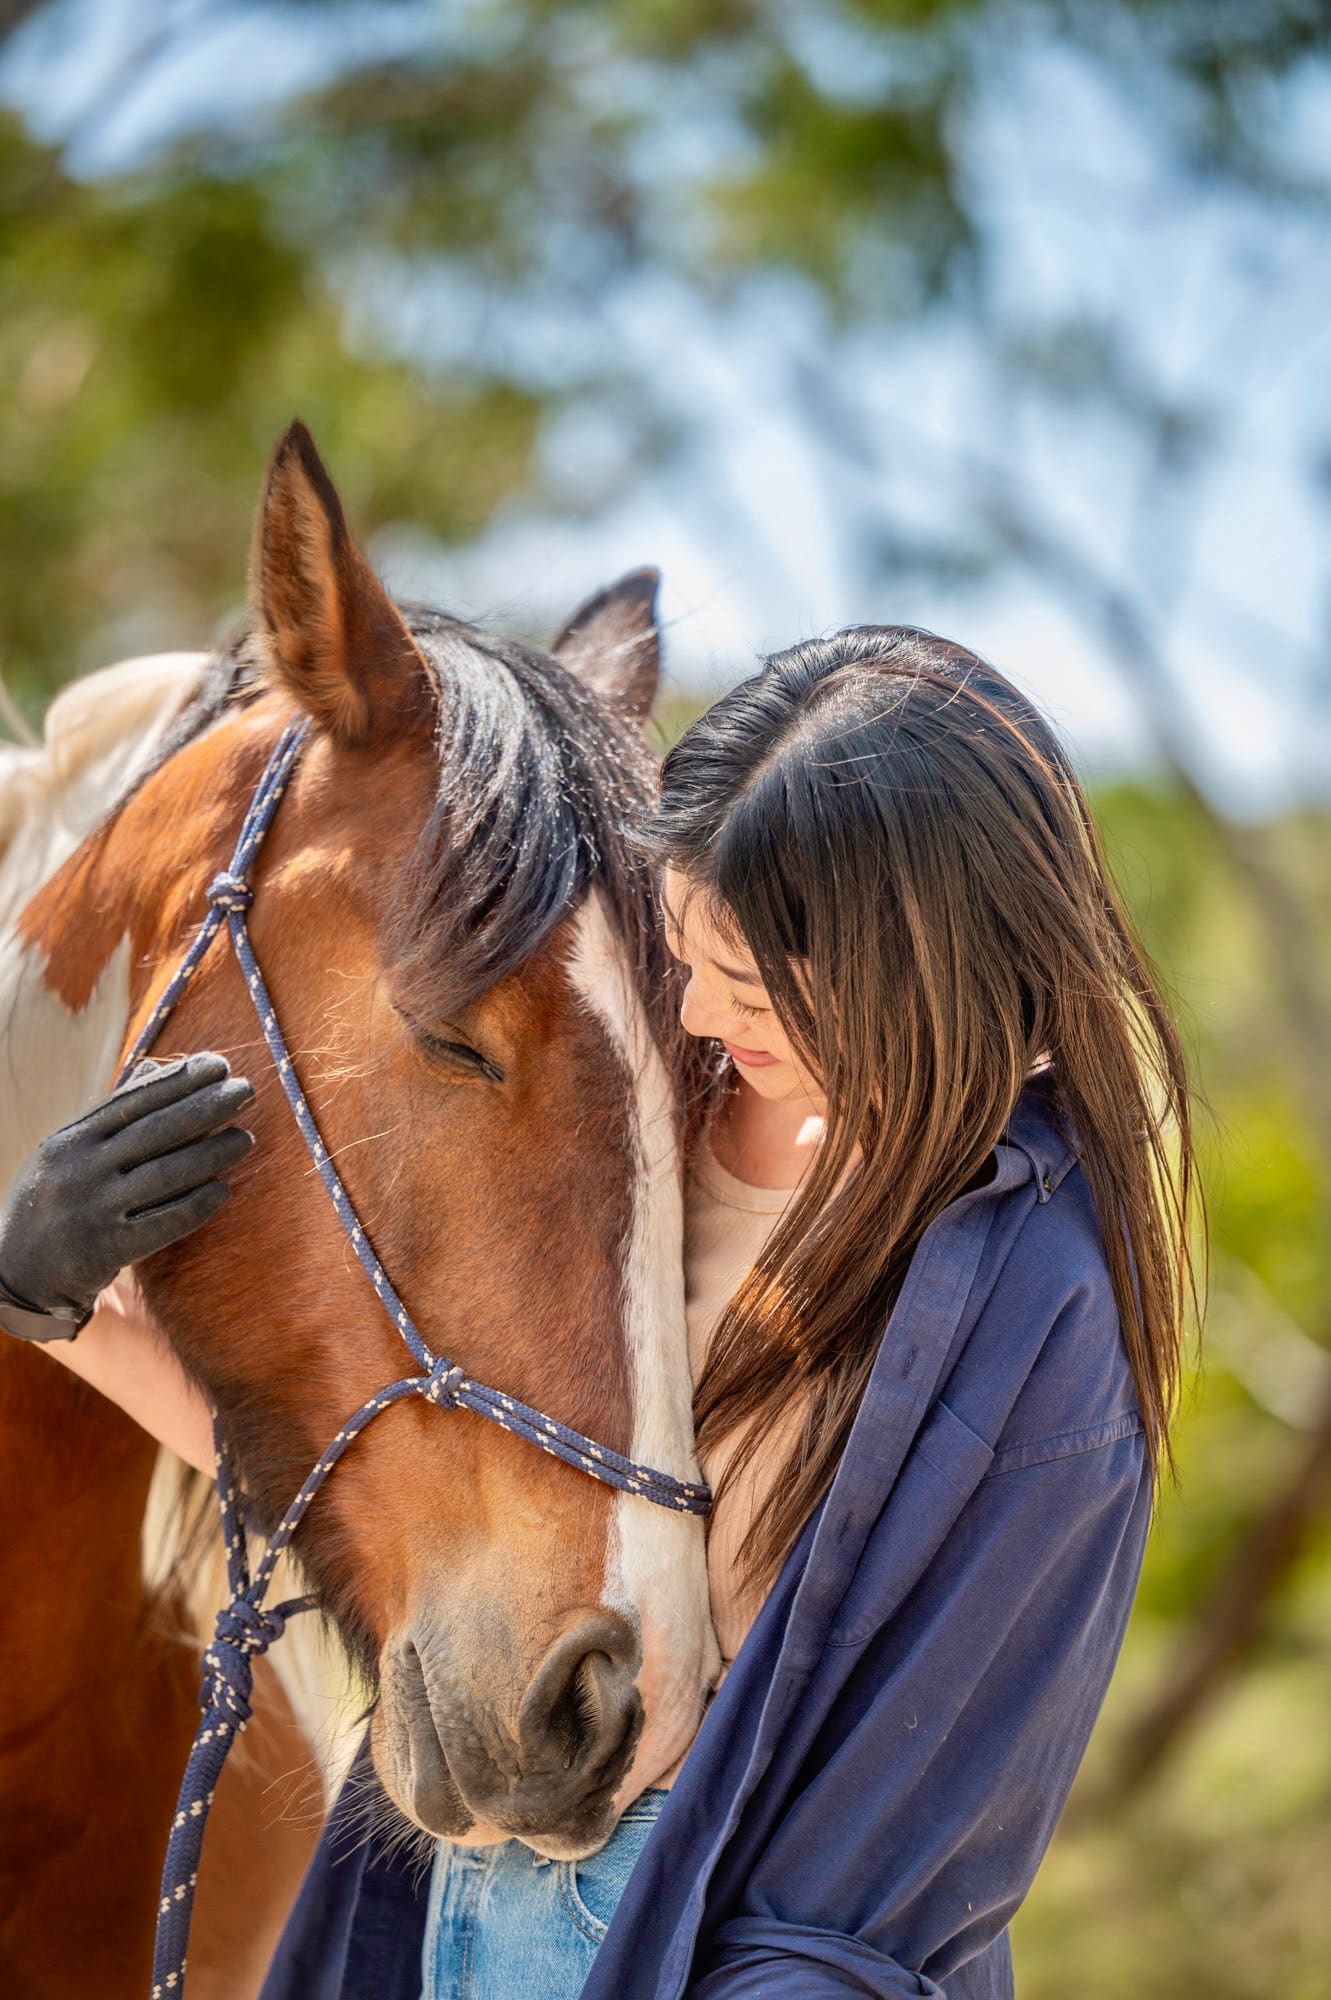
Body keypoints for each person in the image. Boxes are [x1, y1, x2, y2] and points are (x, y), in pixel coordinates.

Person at [0, 626, 1196, 1998]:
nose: (693, 1010)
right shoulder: (662, 1118)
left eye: (745, 989)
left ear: (906, 975)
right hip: (443, 1915)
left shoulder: (1035, 1308)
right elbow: (412, 1465)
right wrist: (55, 1299)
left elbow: (901, 1862)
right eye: (680, 955)